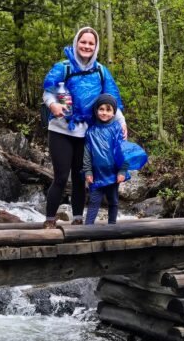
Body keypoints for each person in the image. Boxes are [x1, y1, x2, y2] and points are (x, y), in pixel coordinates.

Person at [42, 27, 125, 227]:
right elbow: (48, 92)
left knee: (81, 177)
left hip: (87, 132)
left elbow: (111, 100)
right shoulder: (64, 67)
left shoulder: (100, 71)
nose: (86, 46)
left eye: (91, 43)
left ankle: (78, 219)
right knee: (61, 177)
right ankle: (50, 220)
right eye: (83, 42)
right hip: (61, 129)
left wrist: (122, 123)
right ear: (76, 43)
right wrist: (53, 105)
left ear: (96, 47)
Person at [84, 94, 148, 225]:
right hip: (96, 175)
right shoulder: (91, 131)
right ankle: (88, 229)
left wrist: (122, 171)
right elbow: (87, 154)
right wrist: (88, 171)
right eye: (101, 109)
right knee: (94, 201)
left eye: (108, 110)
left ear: (114, 113)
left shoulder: (117, 129)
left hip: (113, 173)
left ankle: (112, 225)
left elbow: (123, 151)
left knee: (113, 201)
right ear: (96, 111)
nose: (104, 113)